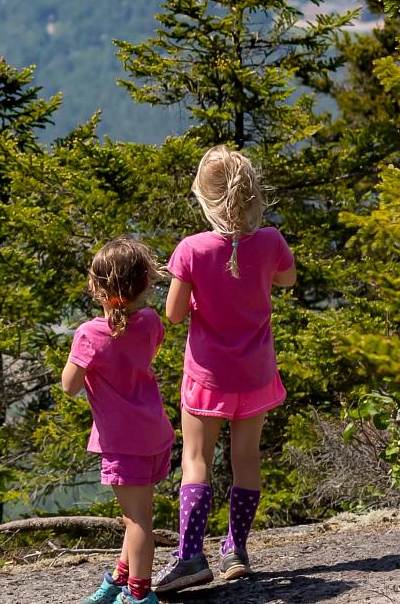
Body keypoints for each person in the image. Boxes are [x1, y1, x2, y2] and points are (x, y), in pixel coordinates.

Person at [154, 146, 296, 593]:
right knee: (245, 460)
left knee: (197, 460)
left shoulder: (191, 250)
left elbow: (173, 314)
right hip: (255, 374)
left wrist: (200, 295)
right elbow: (287, 279)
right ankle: (236, 549)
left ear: (205, 198)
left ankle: (190, 557)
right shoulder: (271, 241)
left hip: (207, 377)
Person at [61, 238, 173, 604]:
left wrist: (84, 356)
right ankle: (119, 579)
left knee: (137, 521)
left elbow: (69, 386)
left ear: (96, 286)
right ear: (143, 284)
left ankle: (139, 595)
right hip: (153, 434)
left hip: (123, 442)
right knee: (136, 514)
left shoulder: (90, 334)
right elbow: (147, 352)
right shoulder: (151, 321)